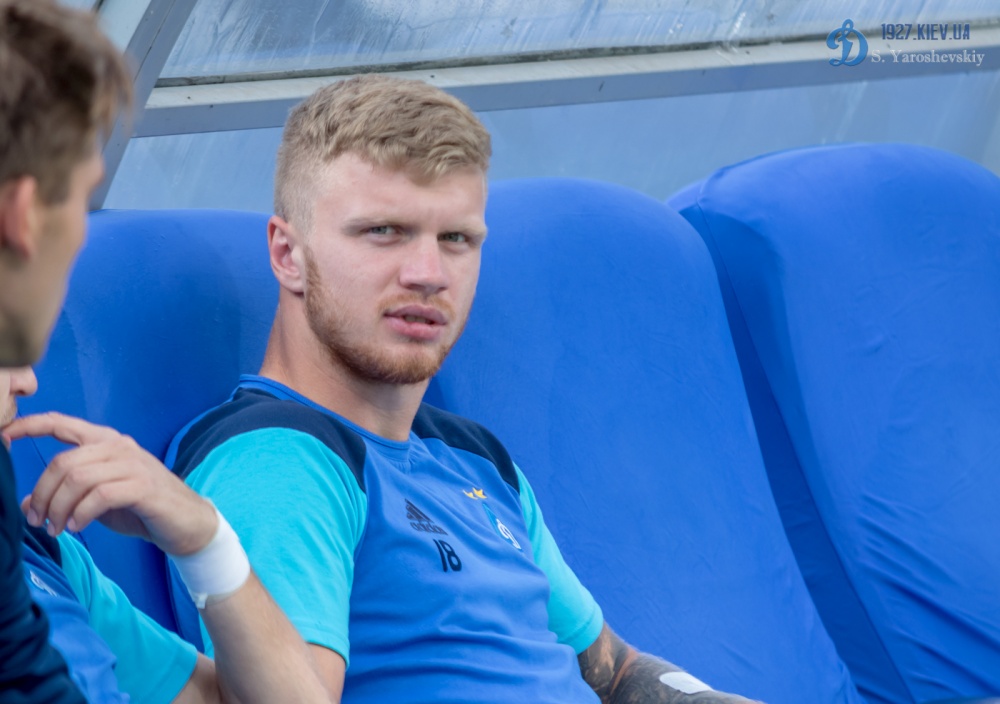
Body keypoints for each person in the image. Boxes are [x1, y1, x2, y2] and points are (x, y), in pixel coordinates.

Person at [168, 74, 763, 703]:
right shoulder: (280, 459)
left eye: (456, 239)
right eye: (384, 231)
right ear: (288, 254)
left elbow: (613, 672)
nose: (428, 274)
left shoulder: (473, 458)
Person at [0, 1, 329, 701]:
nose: (25, 381)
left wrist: (205, 540)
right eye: (79, 203)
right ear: (24, 218)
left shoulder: (37, 551)